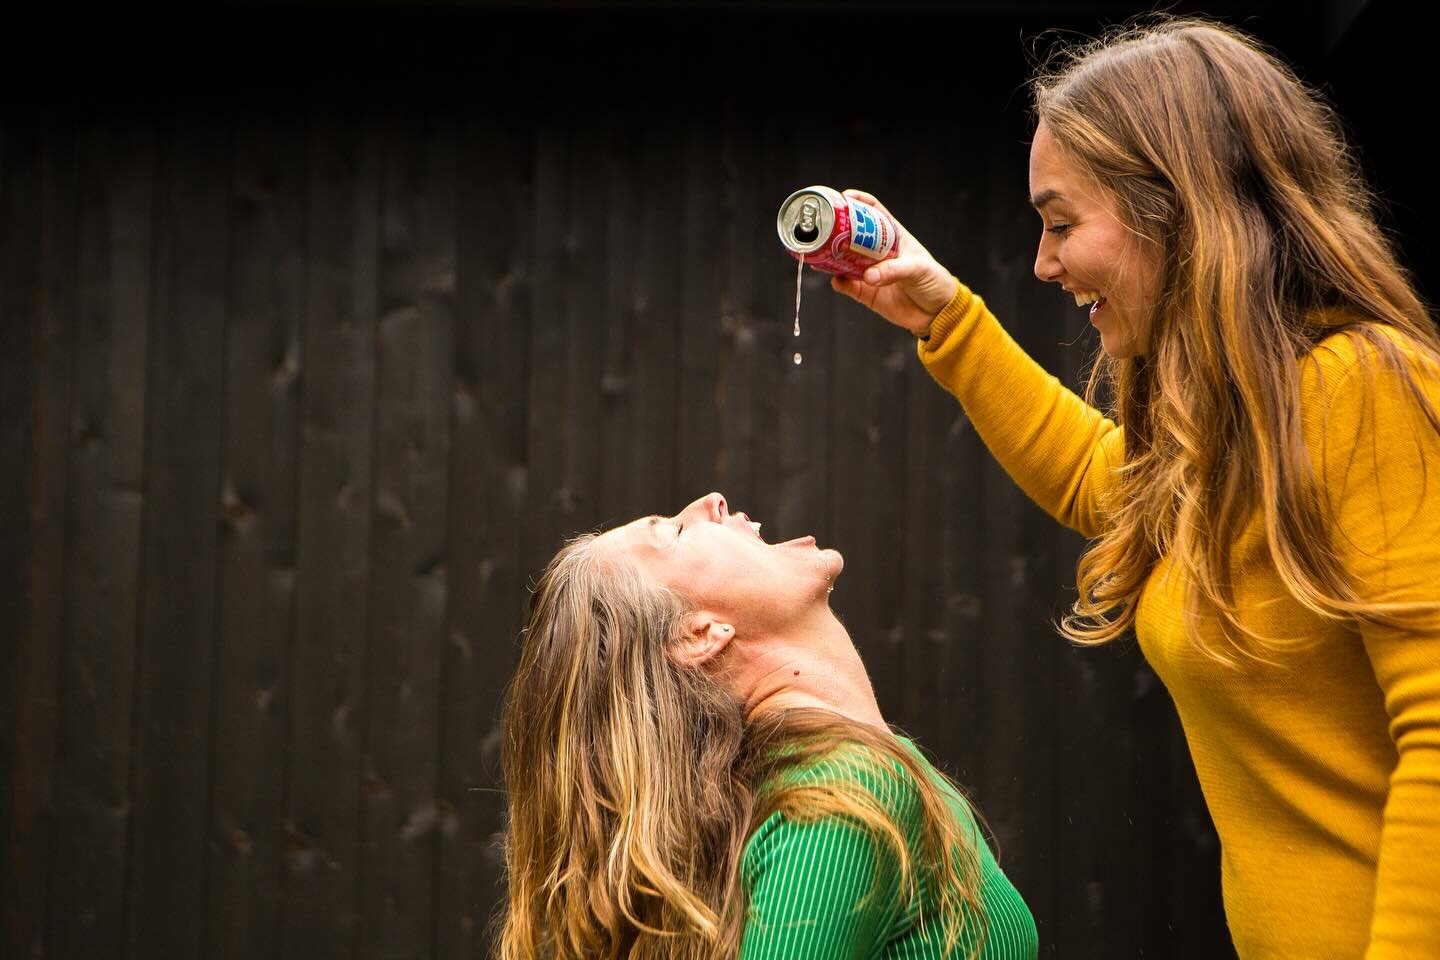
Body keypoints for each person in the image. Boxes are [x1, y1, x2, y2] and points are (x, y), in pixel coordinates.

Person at [831, 17, 1440, 960]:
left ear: (1174, 208)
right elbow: (1107, 482)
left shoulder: (1362, 386)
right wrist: (944, 318)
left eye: (1062, 222)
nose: (1043, 262)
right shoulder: (1254, 425)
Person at [497, 492, 1039, 959]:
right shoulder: (838, 800)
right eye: (677, 531)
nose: (712, 501)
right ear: (698, 633)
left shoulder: (873, 764)